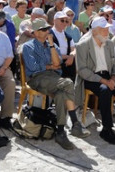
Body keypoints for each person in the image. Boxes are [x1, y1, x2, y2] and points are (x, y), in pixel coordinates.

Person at [22, 19, 90, 150]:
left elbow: (57, 63)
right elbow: (33, 67)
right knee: (69, 83)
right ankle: (75, 122)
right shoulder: (28, 46)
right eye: (43, 29)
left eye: (47, 28)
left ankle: (60, 132)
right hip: (37, 78)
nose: (47, 31)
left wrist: (52, 45)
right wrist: (48, 66)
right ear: (35, 32)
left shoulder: (51, 45)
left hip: (53, 78)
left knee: (61, 94)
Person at [75, 16, 115, 144]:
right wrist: (104, 81)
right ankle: (107, 128)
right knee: (105, 91)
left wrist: (114, 78)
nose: (107, 32)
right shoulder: (82, 45)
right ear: (95, 31)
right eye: (104, 30)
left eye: (107, 29)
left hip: (109, 76)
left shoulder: (109, 43)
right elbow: (82, 70)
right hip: (92, 78)